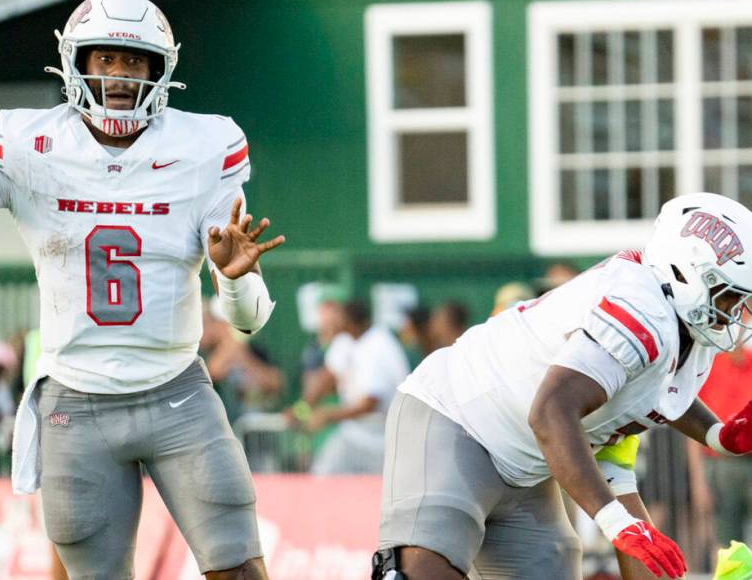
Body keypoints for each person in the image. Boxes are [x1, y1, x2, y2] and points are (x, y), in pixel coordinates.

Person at [0, 0, 284, 579]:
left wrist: (233, 281)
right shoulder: (30, 143)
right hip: (77, 404)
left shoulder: (204, 147)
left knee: (241, 570)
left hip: (178, 394)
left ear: (160, 69)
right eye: (105, 58)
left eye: (134, 61)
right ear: (77, 63)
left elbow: (249, 320)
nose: (120, 75)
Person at [373, 193, 752, 580]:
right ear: (687, 273)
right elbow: (551, 412)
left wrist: (721, 436)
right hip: (455, 416)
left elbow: (621, 445)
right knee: (424, 570)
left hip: (524, 466)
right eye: (730, 294)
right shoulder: (641, 309)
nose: (736, 311)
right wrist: (618, 524)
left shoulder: (683, 342)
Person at [291, 300, 409, 475]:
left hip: (384, 438)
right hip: (354, 433)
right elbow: (326, 378)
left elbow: (370, 402)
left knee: (378, 494)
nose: (335, 322)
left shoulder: (379, 345)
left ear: (351, 322)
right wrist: (301, 410)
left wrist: (328, 415)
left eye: (340, 318)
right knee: (322, 476)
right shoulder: (346, 340)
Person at [687, 341, 752, 546]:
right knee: (726, 544)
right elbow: (692, 429)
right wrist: (698, 482)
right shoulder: (709, 367)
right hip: (720, 465)